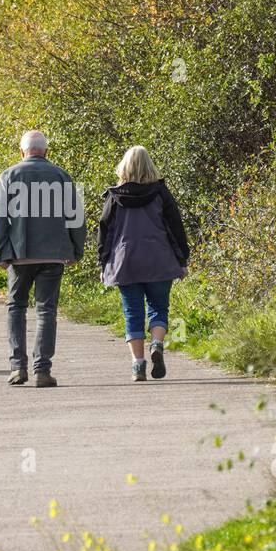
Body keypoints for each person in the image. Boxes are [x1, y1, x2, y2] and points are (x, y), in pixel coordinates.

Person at [0, 130, 86, 387]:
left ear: (22, 152)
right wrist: (76, 250)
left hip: (20, 255)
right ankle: (42, 370)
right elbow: (76, 217)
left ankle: (17, 367)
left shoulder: (9, 176)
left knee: (16, 307)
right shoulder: (61, 176)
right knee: (46, 311)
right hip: (53, 255)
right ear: (46, 151)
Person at [97, 146, 189, 381]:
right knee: (159, 308)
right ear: (149, 166)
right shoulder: (160, 193)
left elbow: (104, 231)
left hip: (125, 261)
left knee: (132, 312)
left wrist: (103, 262)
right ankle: (157, 343)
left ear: (124, 167)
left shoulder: (114, 196)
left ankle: (138, 365)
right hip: (159, 258)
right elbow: (175, 226)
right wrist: (182, 258)